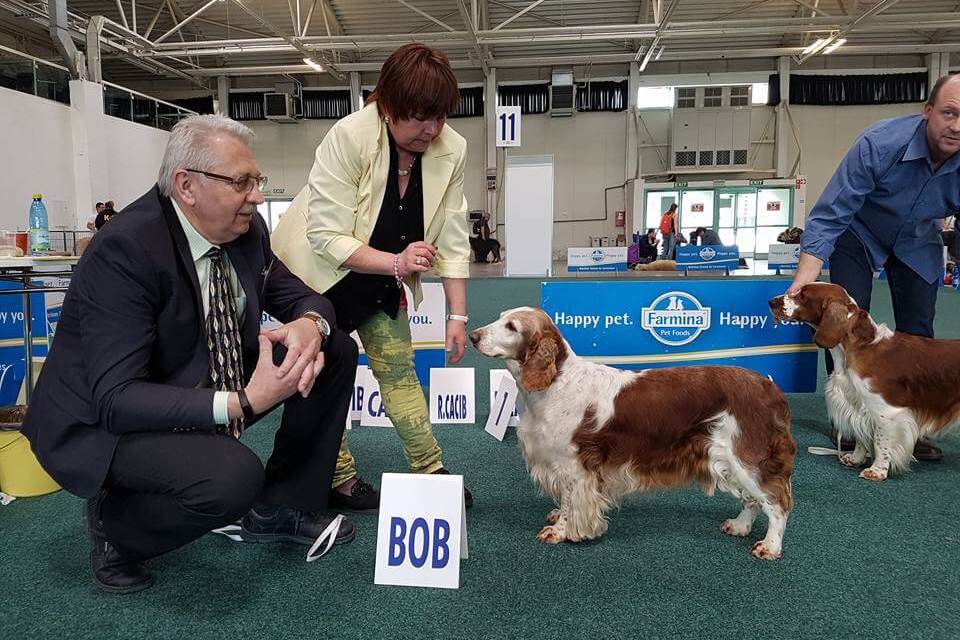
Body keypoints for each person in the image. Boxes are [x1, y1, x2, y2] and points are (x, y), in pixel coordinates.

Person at [21, 115, 359, 594]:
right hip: (102, 420)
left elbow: (303, 296)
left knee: (335, 348)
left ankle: (280, 506)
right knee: (232, 478)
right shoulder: (125, 249)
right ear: (187, 186)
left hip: (192, 378)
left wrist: (310, 324)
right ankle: (115, 528)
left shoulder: (246, 232)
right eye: (241, 182)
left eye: (256, 181)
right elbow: (117, 398)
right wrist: (244, 401)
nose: (258, 196)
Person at [272, 43, 473, 513]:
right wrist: (397, 264)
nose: (433, 129)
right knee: (325, 375)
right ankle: (339, 478)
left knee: (399, 369)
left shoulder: (452, 148)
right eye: (421, 116)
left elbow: (455, 237)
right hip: (317, 274)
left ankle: (431, 471)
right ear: (388, 105)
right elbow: (325, 235)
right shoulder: (348, 136)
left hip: (381, 271)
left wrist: (458, 314)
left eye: (441, 116)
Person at [787, 74, 960, 461]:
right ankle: (847, 425)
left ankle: (911, 427)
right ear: (927, 112)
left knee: (920, 335)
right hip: (859, 234)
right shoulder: (879, 144)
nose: (957, 126)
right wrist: (805, 279)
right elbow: (831, 214)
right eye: (949, 113)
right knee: (842, 323)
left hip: (918, 241)